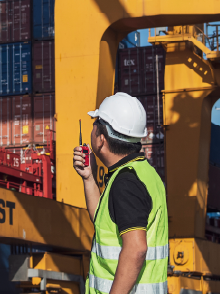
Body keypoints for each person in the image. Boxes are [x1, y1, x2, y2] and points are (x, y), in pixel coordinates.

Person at [72, 92, 168, 294]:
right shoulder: (143, 173)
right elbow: (103, 223)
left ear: (101, 139)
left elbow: (136, 249)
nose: (92, 128)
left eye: (95, 123)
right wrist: (89, 178)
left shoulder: (126, 183)